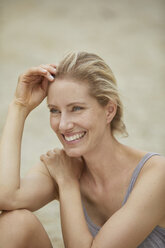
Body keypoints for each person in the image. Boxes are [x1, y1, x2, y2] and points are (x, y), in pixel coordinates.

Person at [0, 51, 164, 248]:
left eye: (76, 108)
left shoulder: (156, 173)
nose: (63, 125)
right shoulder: (60, 166)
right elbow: (6, 197)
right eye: (54, 110)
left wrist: (68, 183)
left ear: (109, 110)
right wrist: (19, 106)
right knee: (16, 223)